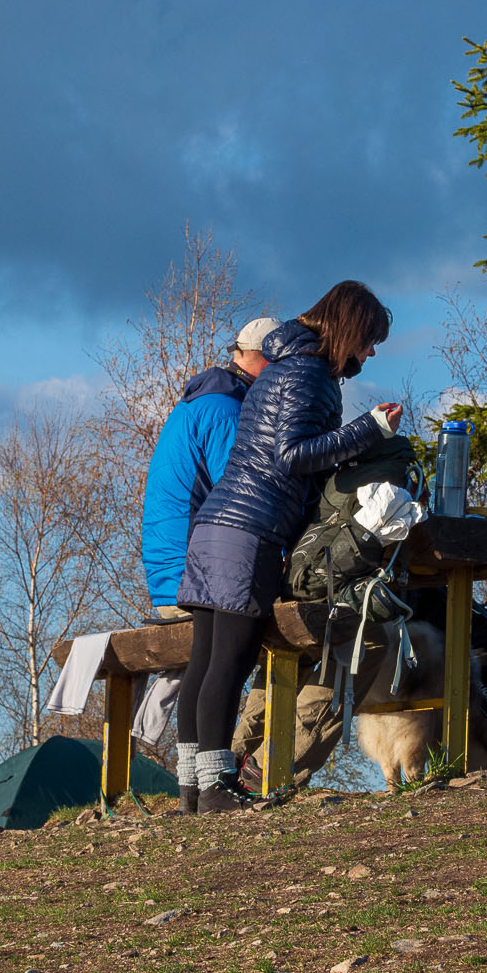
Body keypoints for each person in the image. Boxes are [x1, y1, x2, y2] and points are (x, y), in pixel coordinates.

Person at [175, 281, 400, 814]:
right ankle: (215, 789)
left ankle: (192, 788)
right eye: (369, 341)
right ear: (350, 328)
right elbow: (291, 454)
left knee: (205, 663)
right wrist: (369, 430)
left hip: (215, 526)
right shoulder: (309, 373)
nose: (368, 354)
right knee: (228, 663)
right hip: (248, 531)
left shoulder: (283, 365)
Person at [140, 316, 282, 619]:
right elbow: (242, 497)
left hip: (174, 577)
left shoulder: (204, 401)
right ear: (270, 362)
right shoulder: (226, 411)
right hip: (193, 581)